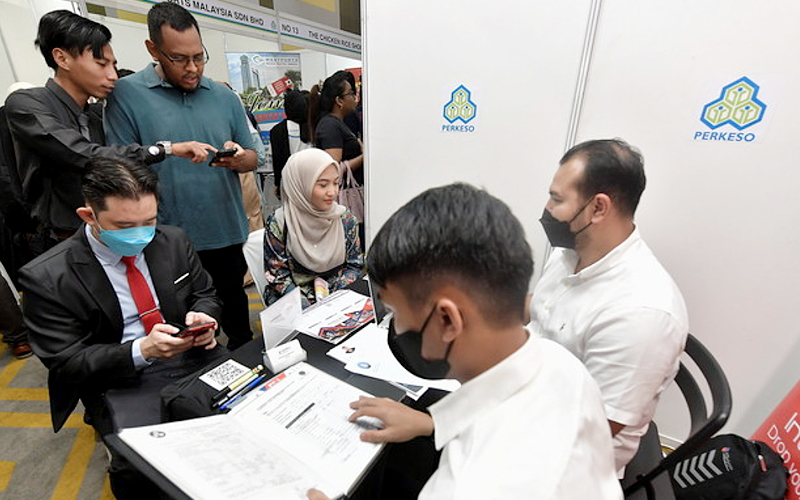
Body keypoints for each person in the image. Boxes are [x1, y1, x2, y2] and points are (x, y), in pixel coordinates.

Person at [309, 183, 623, 500]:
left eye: (396, 314)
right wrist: (431, 423)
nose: (395, 327)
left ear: (447, 320)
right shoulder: (562, 363)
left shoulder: (465, 487)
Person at [18, 156, 224, 499]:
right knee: (145, 469)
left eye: (150, 221)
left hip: (192, 355)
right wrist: (141, 350)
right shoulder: (48, 277)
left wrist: (203, 318)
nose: (141, 235)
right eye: (125, 226)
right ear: (89, 216)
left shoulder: (172, 240)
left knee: (251, 414)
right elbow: (66, 362)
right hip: (119, 376)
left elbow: (205, 294)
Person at [530, 138, 689, 476]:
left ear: (598, 208)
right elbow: (544, 316)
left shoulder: (641, 312)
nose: (547, 209)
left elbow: (588, 432)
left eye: (557, 199)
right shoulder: (570, 254)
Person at [105, 2, 258, 350]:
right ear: (153, 49)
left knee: (238, 325)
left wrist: (238, 159)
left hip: (225, 234)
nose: (193, 68)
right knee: (180, 333)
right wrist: (171, 149)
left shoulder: (224, 96)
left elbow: (253, 157)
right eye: (179, 59)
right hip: (164, 242)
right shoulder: (126, 95)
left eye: (199, 57)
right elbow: (120, 166)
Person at [4, 10, 212, 256]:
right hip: (62, 243)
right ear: (62, 58)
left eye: (113, 65)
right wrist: (166, 149)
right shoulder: (26, 104)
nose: (113, 75)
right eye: (101, 64)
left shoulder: (98, 114)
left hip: (113, 239)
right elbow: (82, 154)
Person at [263, 148, 362, 307]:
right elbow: (278, 276)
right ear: (299, 185)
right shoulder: (280, 223)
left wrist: (334, 298)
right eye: (323, 185)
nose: (332, 192)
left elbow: (354, 265)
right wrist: (308, 307)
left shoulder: (345, 220)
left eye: (336, 183)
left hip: (336, 296)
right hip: (293, 301)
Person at [309, 71, 363, 185]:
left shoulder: (336, 123)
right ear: (339, 101)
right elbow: (334, 168)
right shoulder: (330, 126)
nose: (354, 97)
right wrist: (364, 157)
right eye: (350, 93)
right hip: (341, 191)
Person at [270, 88, 311, 193]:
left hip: (289, 183)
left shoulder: (277, 131)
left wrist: (277, 183)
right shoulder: (314, 127)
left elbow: (277, 160)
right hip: (313, 179)